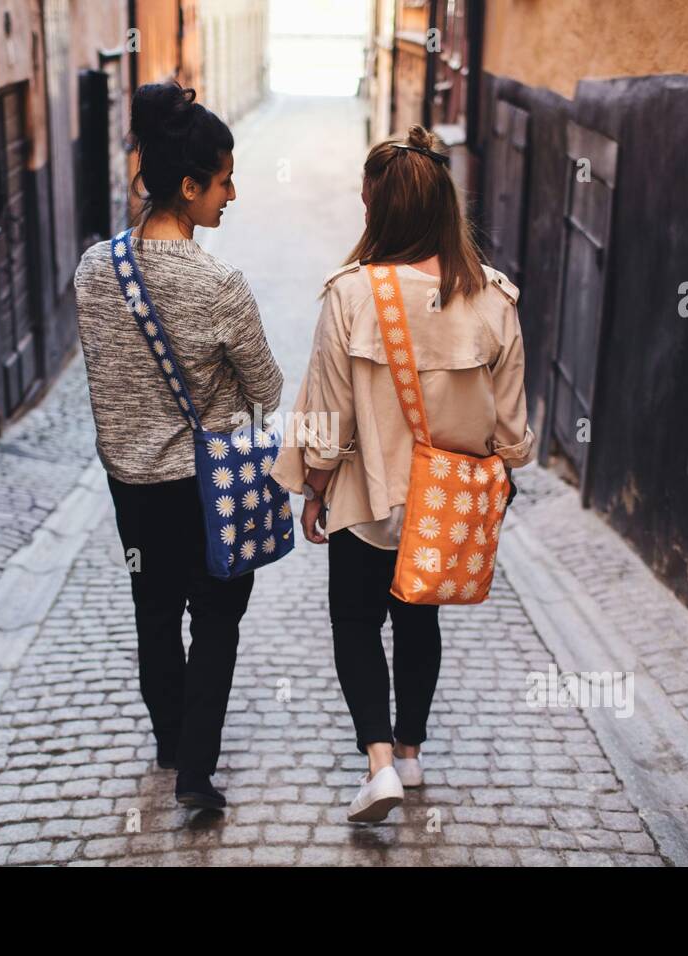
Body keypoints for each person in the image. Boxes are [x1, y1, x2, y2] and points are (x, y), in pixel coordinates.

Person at [271, 125, 535, 823]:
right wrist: (498, 480)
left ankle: (380, 764)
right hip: (444, 504)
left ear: (380, 211)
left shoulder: (352, 295)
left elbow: (325, 410)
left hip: (368, 496)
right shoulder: (494, 300)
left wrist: (315, 487)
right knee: (418, 621)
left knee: (355, 623)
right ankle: (412, 755)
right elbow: (509, 432)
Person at [72, 81, 283, 810]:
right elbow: (267, 386)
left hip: (131, 486)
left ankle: (169, 742)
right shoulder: (219, 283)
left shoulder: (94, 270)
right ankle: (196, 771)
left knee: (154, 612)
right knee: (217, 619)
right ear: (189, 185)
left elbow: (105, 369)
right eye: (223, 181)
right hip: (209, 482)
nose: (232, 194)